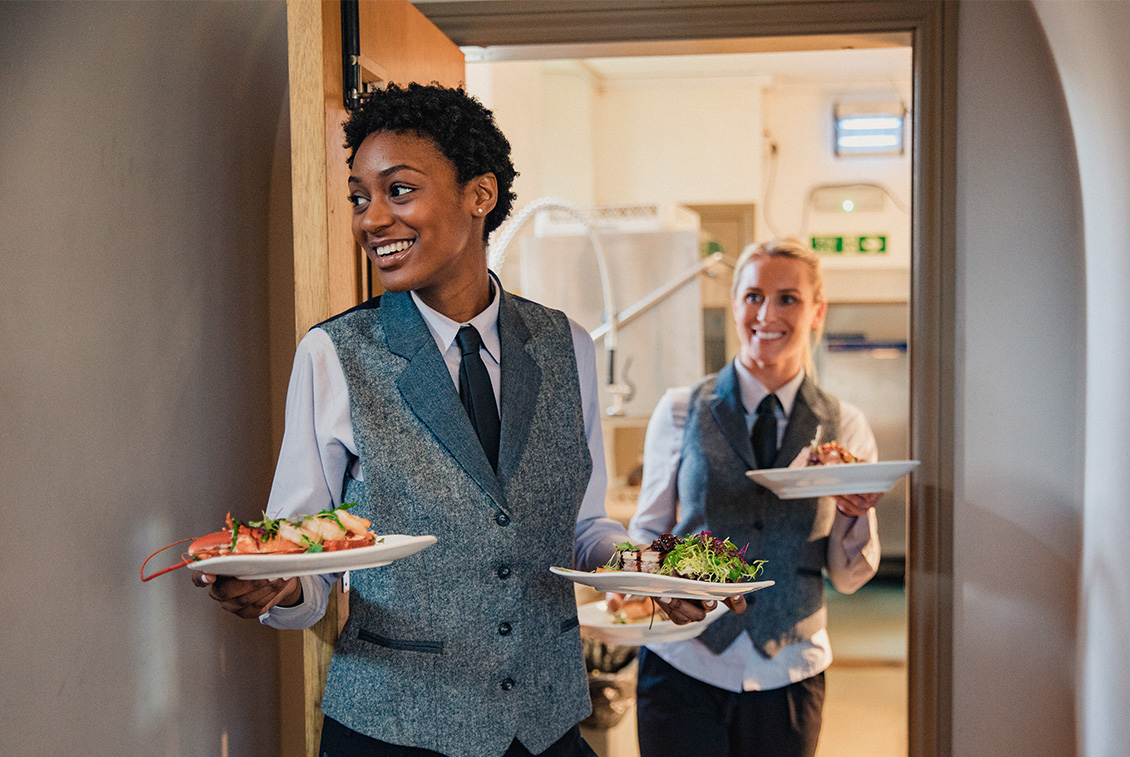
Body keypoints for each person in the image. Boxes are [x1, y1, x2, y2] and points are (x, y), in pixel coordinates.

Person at [190, 82, 713, 757]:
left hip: (545, 725)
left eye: (398, 191)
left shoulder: (567, 347)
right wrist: (277, 585)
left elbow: (583, 526)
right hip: (391, 728)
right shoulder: (335, 355)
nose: (370, 219)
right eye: (359, 197)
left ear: (480, 195)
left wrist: (651, 572)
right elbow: (305, 552)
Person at [628, 238, 883, 757]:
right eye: (752, 297)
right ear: (736, 305)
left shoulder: (845, 426)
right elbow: (648, 532)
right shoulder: (680, 410)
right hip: (684, 661)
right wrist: (649, 580)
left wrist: (856, 518)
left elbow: (850, 576)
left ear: (817, 312)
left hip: (790, 667)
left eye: (788, 298)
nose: (767, 313)